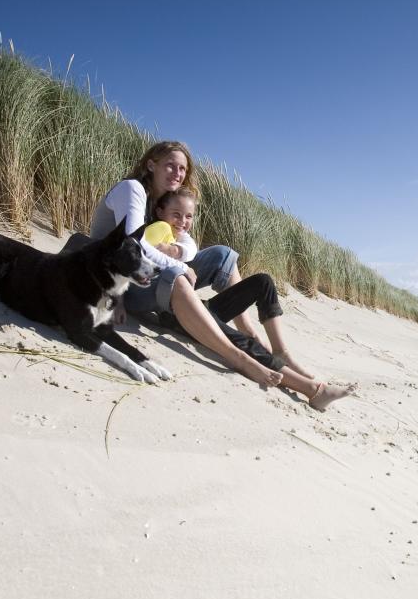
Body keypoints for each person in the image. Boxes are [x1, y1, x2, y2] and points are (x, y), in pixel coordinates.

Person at [87, 141, 353, 411]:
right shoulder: (132, 190)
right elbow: (134, 245)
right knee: (179, 278)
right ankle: (237, 356)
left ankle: (250, 331)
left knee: (222, 254)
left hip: (149, 277)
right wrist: (178, 265)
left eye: (182, 168)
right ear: (151, 164)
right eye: (170, 165)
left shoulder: (166, 202)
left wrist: (177, 251)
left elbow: (189, 245)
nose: (177, 173)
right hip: (120, 282)